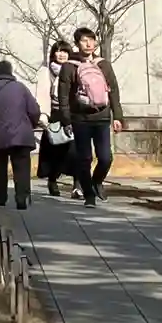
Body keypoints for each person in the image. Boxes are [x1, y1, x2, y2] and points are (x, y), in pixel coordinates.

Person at [61, 26, 124, 204]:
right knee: (84, 158)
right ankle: (88, 194)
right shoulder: (69, 66)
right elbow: (63, 95)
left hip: (102, 117)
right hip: (80, 119)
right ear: (76, 43)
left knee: (105, 158)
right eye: (84, 40)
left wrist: (118, 116)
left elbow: (114, 91)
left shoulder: (104, 64)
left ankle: (97, 181)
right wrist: (66, 119)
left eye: (92, 40)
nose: (89, 44)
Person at [0, 59, 44, 212]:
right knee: (22, 166)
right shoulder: (21, 88)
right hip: (21, 134)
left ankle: (1, 197)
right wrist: (31, 124)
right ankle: (22, 198)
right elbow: (34, 110)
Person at [38, 40, 76, 197]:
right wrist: (43, 115)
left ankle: (78, 185)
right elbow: (42, 94)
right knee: (55, 151)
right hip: (54, 114)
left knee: (76, 150)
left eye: (65, 51)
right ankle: (52, 179)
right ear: (53, 54)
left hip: (74, 113)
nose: (61, 54)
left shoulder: (75, 69)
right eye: (58, 51)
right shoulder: (47, 72)